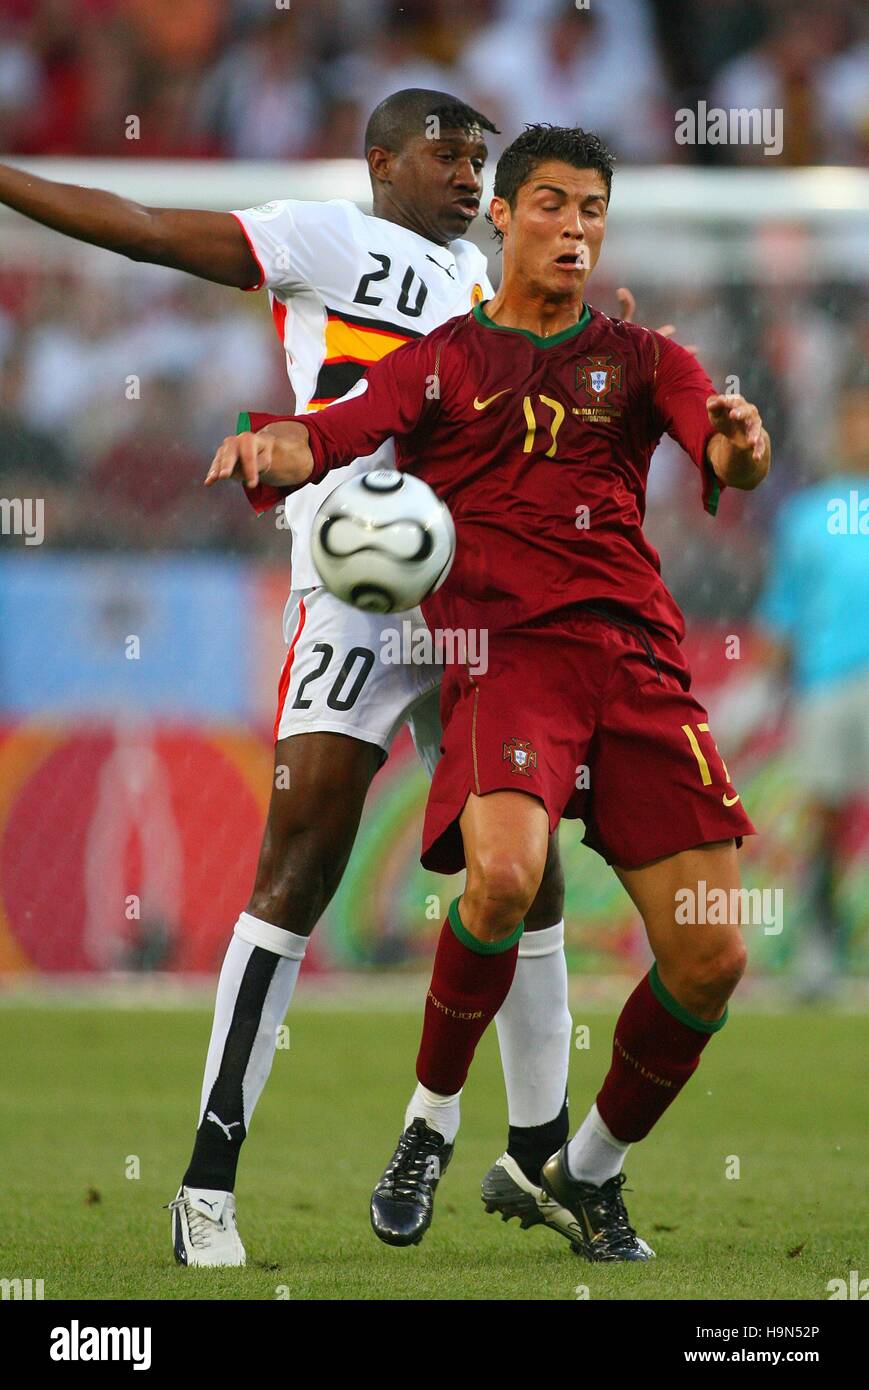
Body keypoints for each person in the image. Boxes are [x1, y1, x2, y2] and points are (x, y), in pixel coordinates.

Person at [0, 90, 585, 1265]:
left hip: (472, 600)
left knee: (526, 873)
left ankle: (540, 1153)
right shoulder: (329, 240)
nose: (469, 178)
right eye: (446, 155)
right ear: (380, 162)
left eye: (481, 160)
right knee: (298, 871)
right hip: (357, 592)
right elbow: (148, 229)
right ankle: (207, 1185)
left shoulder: (492, 296)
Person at [209, 123, 771, 1261]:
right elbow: (336, 432)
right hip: (501, 658)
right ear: (501, 218)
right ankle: (428, 1121)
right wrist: (272, 452)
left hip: (633, 662)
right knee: (505, 877)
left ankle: (581, 1170)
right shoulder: (439, 362)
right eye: (553, 204)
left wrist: (738, 450)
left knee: (711, 954)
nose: (575, 227)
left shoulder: (646, 358)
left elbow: (718, 455)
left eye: (592, 210)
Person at [755, 383, 869, 1000]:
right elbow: (783, 611)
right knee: (825, 819)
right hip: (824, 685)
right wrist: (760, 690)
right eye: (853, 422)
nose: (861, 435)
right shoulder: (806, 515)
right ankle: (821, 950)